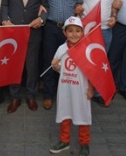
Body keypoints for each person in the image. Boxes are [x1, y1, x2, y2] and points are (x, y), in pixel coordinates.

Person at [1, 0, 48, 113]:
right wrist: (4, 20)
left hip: (33, 32)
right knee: (14, 64)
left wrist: (41, 19)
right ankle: (14, 97)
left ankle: (30, 96)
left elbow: (45, 7)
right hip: (13, 31)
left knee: (32, 65)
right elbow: (5, 5)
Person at [78, 0, 120, 106]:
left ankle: (96, 92)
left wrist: (114, 16)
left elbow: (116, 2)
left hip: (105, 30)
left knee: (100, 63)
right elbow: (76, 1)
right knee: (83, 61)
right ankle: (81, 90)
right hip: (85, 29)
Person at [42, 0, 84, 110]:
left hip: (69, 31)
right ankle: (48, 94)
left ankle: (67, 94)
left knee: (69, 61)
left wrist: (79, 8)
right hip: (50, 27)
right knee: (49, 60)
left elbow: (79, 4)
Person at [49, 17, 93, 156]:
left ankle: (84, 143)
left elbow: (92, 71)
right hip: (65, 88)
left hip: (82, 89)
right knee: (64, 113)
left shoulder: (86, 49)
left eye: (77, 31)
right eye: (70, 31)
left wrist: (91, 88)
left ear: (82, 32)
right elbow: (60, 68)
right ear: (65, 33)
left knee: (83, 115)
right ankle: (64, 140)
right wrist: (56, 66)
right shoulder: (61, 49)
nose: (74, 34)